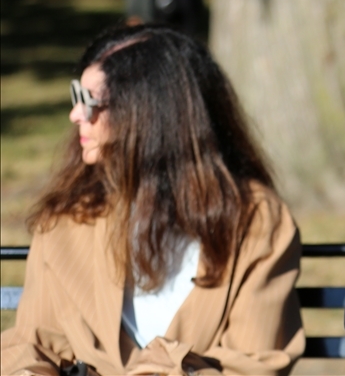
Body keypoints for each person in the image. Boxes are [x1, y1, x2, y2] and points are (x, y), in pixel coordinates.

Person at [0, 25, 304, 375]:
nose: (76, 115)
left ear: (150, 113)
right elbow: (33, 343)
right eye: (75, 96)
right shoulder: (70, 217)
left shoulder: (254, 222)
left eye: (90, 101)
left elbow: (255, 365)